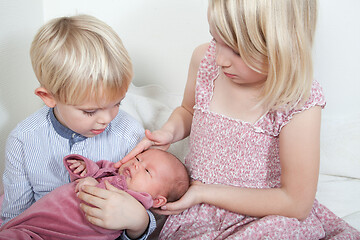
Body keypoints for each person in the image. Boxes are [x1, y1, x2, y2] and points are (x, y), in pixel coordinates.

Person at [115, 0, 360, 239]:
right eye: (215, 39)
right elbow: (188, 111)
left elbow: (296, 203)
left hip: (263, 213)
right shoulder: (205, 60)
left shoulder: (298, 101)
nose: (220, 59)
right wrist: (169, 131)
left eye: (237, 50)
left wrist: (204, 193)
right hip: (197, 207)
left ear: (282, 47)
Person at [1, 14, 156, 239]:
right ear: (48, 97)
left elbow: (148, 201)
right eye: (90, 111)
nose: (106, 119)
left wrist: (138, 223)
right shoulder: (23, 140)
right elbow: (15, 216)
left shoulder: (130, 134)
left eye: (117, 104)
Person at [0, 149, 190, 240]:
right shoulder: (110, 171)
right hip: (38, 224)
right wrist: (84, 168)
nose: (136, 165)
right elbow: (94, 170)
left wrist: (94, 186)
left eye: (148, 171)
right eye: (138, 158)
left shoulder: (138, 202)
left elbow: (116, 218)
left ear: (157, 200)